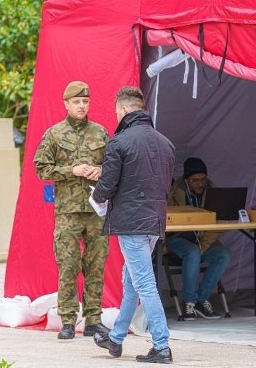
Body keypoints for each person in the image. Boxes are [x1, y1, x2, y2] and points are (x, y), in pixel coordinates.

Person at [91, 86, 176, 364]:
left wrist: (96, 196)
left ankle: (161, 346)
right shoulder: (166, 143)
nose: (116, 115)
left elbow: (107, 185)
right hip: (154, 221)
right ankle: (115, 340)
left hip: (131, 222)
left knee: (144, 283)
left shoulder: (120, 142)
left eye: (117, 111)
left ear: (125, 110)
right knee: (131, 282)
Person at [33, 80, 110, 340]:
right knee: (68, 265)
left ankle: (93, 320)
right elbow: (41, 168)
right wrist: (71, 171)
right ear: (66, 104)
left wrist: (100, 171)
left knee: (96, 265)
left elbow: (114, 166)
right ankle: (67, 320)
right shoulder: (54, 134)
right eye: (76, 102)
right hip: (67, 212)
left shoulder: (100, 133)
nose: (81, 106)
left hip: (96, 210)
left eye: (85, 101)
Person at [166, 157, 232, 320]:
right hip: (177, 238)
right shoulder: (174, 192)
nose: (200, 184)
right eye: (195, 180)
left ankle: (201, 300)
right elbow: (164, 219)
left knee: (223, 255)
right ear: (187, 179)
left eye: (203, 180)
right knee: (193, 252)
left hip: (201, 240)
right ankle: (189, 301)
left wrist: (203, 244)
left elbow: (219, 223)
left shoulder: (213, 191)